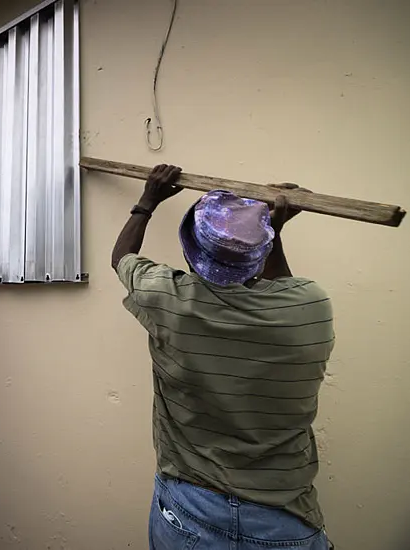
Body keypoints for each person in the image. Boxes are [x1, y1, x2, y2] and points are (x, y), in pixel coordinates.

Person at [112, 165, 334, 549]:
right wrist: (271, 230)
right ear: (260, 254)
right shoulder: (311, 307)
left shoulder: (169, 298)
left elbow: (122, 256)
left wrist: (148, 200)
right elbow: (283, 289)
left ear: (194, 251)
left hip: (190, 511)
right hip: (284, 521)